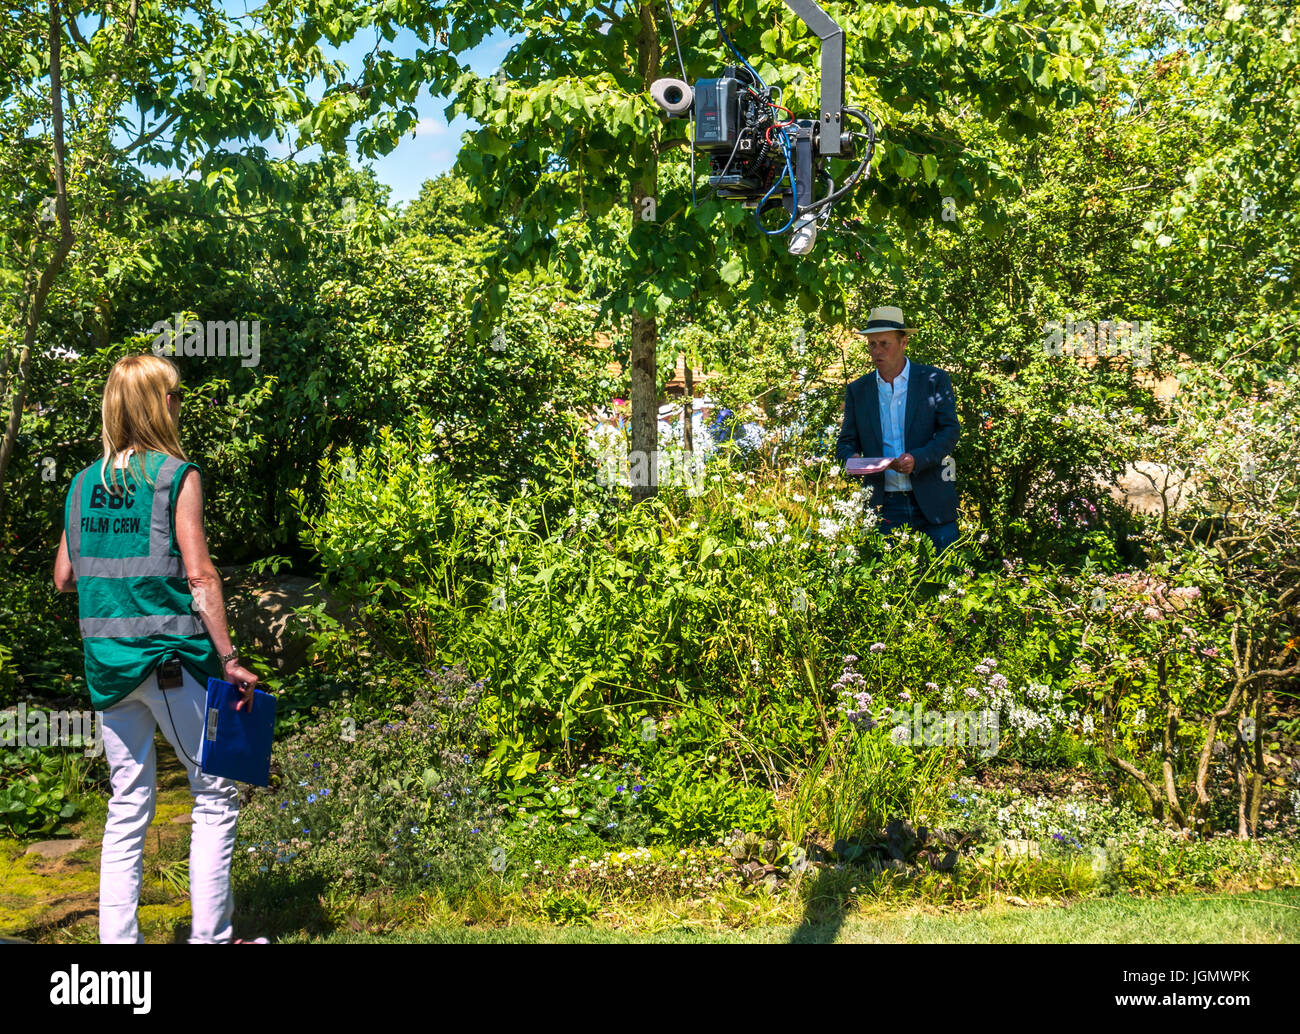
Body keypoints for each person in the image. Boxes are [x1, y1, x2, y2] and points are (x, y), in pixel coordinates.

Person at [52, 353, 262, 944]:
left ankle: (119, 950)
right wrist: (229, 659)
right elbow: (201, 578)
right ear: (155, 404)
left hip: (108, 667)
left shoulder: (82, 483)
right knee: (215, 795)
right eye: (174, 395)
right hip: (171, 663)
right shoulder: (175, 476)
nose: (179, 404)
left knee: (127, 803)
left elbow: (65, 577)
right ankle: (211, 940)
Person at [834, 306, 961, 554]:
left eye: (884, 343)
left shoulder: (933, 380)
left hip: (931, 499)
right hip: (883, 505)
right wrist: (853, 461)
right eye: (872, 344)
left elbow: (949, 432)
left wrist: (918, 459)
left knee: (945, 580)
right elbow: (845, 443)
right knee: (885, 586)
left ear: (903, 343)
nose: (877, 351)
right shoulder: (859, 390)